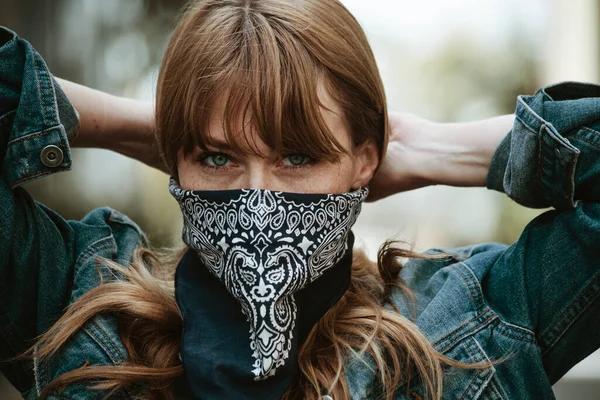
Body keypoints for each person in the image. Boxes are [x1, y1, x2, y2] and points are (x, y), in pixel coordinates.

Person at [1, 0, 599, 399]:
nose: (257, 200)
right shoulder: (80, 300)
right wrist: (137, 126)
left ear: (364, 159)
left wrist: (430, 150)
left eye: (297, 157)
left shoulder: (461, 332)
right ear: (174, 157)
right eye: (217, 158)